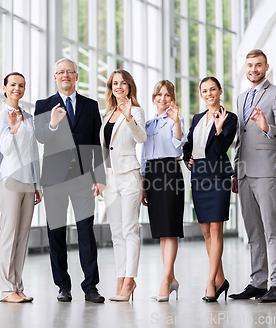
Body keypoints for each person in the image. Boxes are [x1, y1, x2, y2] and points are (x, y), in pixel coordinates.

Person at [34, 58, 106, 303]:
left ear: (76, 76)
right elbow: (40, 137)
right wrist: (53, 123)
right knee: (56, 233)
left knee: (86, 232)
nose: (65, 75)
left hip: (84, 178)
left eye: (69, 72)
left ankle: (91, 286)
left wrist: (100, 177)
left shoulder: (90, 105)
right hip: (54, 179)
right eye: (60, 72)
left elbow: (96, 144)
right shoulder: (43, 105)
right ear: (55, 77)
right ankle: (63, 286)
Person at [229, 49, 276, 303]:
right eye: (250, 66)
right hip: (244, 172)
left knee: (272, 229)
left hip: (267, 171)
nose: (253, 70)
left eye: (258, 65)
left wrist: (267, 127)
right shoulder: (242, 97)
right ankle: (258, 282)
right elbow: (239, 139)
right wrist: (235, 171)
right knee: (253, 230)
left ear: (266, 67)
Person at [183, 77, 237, 302]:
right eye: (204, 90)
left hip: (217, 175)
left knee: (216, 230)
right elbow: (188, 144)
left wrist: (218, 129)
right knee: (206, 232)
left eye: (212, 89)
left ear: (220, 91)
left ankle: (210, 282)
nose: (208, 94)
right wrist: (188, 159)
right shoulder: (196, 118)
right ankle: (221, 279)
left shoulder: (229, 117)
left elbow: (222, 148)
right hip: (199, 175)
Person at [0, 72, 42, 303]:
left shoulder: (29, 115)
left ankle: (17, 285)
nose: (17, 88)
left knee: (22, 236)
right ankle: (5, 290)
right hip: (11, 180)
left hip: (27, 181)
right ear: (4, 88)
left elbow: (34, 153)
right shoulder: (2, 116)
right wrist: (14, 129)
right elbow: (5, 149)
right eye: (13, 85)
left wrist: (37, 184)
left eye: (21, 85)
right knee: (9, 235)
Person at [100, 70, 146, 302]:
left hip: (129, 176)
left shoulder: (136, 110)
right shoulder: (106, 113)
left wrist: (129, 117)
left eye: (123, 83)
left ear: (129, 87)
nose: (119, 87)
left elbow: (141, 138)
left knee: (130, 230)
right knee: (116, 233)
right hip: (110, 180)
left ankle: (130, 280)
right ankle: (120, 278)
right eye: (115, 83)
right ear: (111, 87)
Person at [141, 80, 186, 302]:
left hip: (170, 170)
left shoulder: (177, 121)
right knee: (161, 231)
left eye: (167, 95)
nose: (163, 99)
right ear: (154, 98)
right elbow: (144, 153)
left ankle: (165, 281)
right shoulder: (148, 125)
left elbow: (179, 144)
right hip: (152, 174)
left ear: (173, 98)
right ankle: (172, 278)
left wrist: (176, 121)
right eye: (159, 95)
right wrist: (142, 181)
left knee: (170, 228)